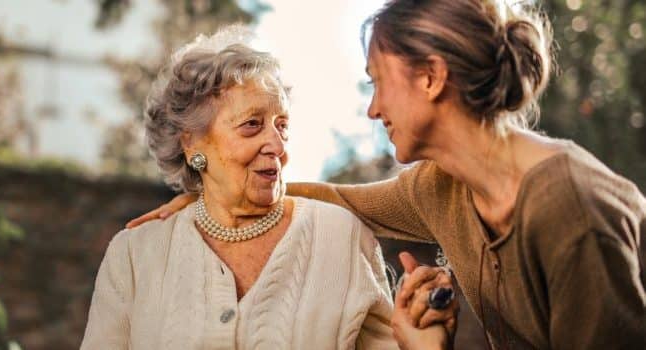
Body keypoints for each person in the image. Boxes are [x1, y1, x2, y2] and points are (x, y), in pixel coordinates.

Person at [127, 1, 646, 349]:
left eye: (378, 82)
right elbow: (340, 199)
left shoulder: (569, 208)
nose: (373, 109)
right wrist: (215, 196)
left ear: (431, 77)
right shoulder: (441, 186)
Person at [81, 26, 456, 350]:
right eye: (252, 125)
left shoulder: (341, 236)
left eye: (282, 125)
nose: (277, 146)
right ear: (192, 143)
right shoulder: (134, 255)